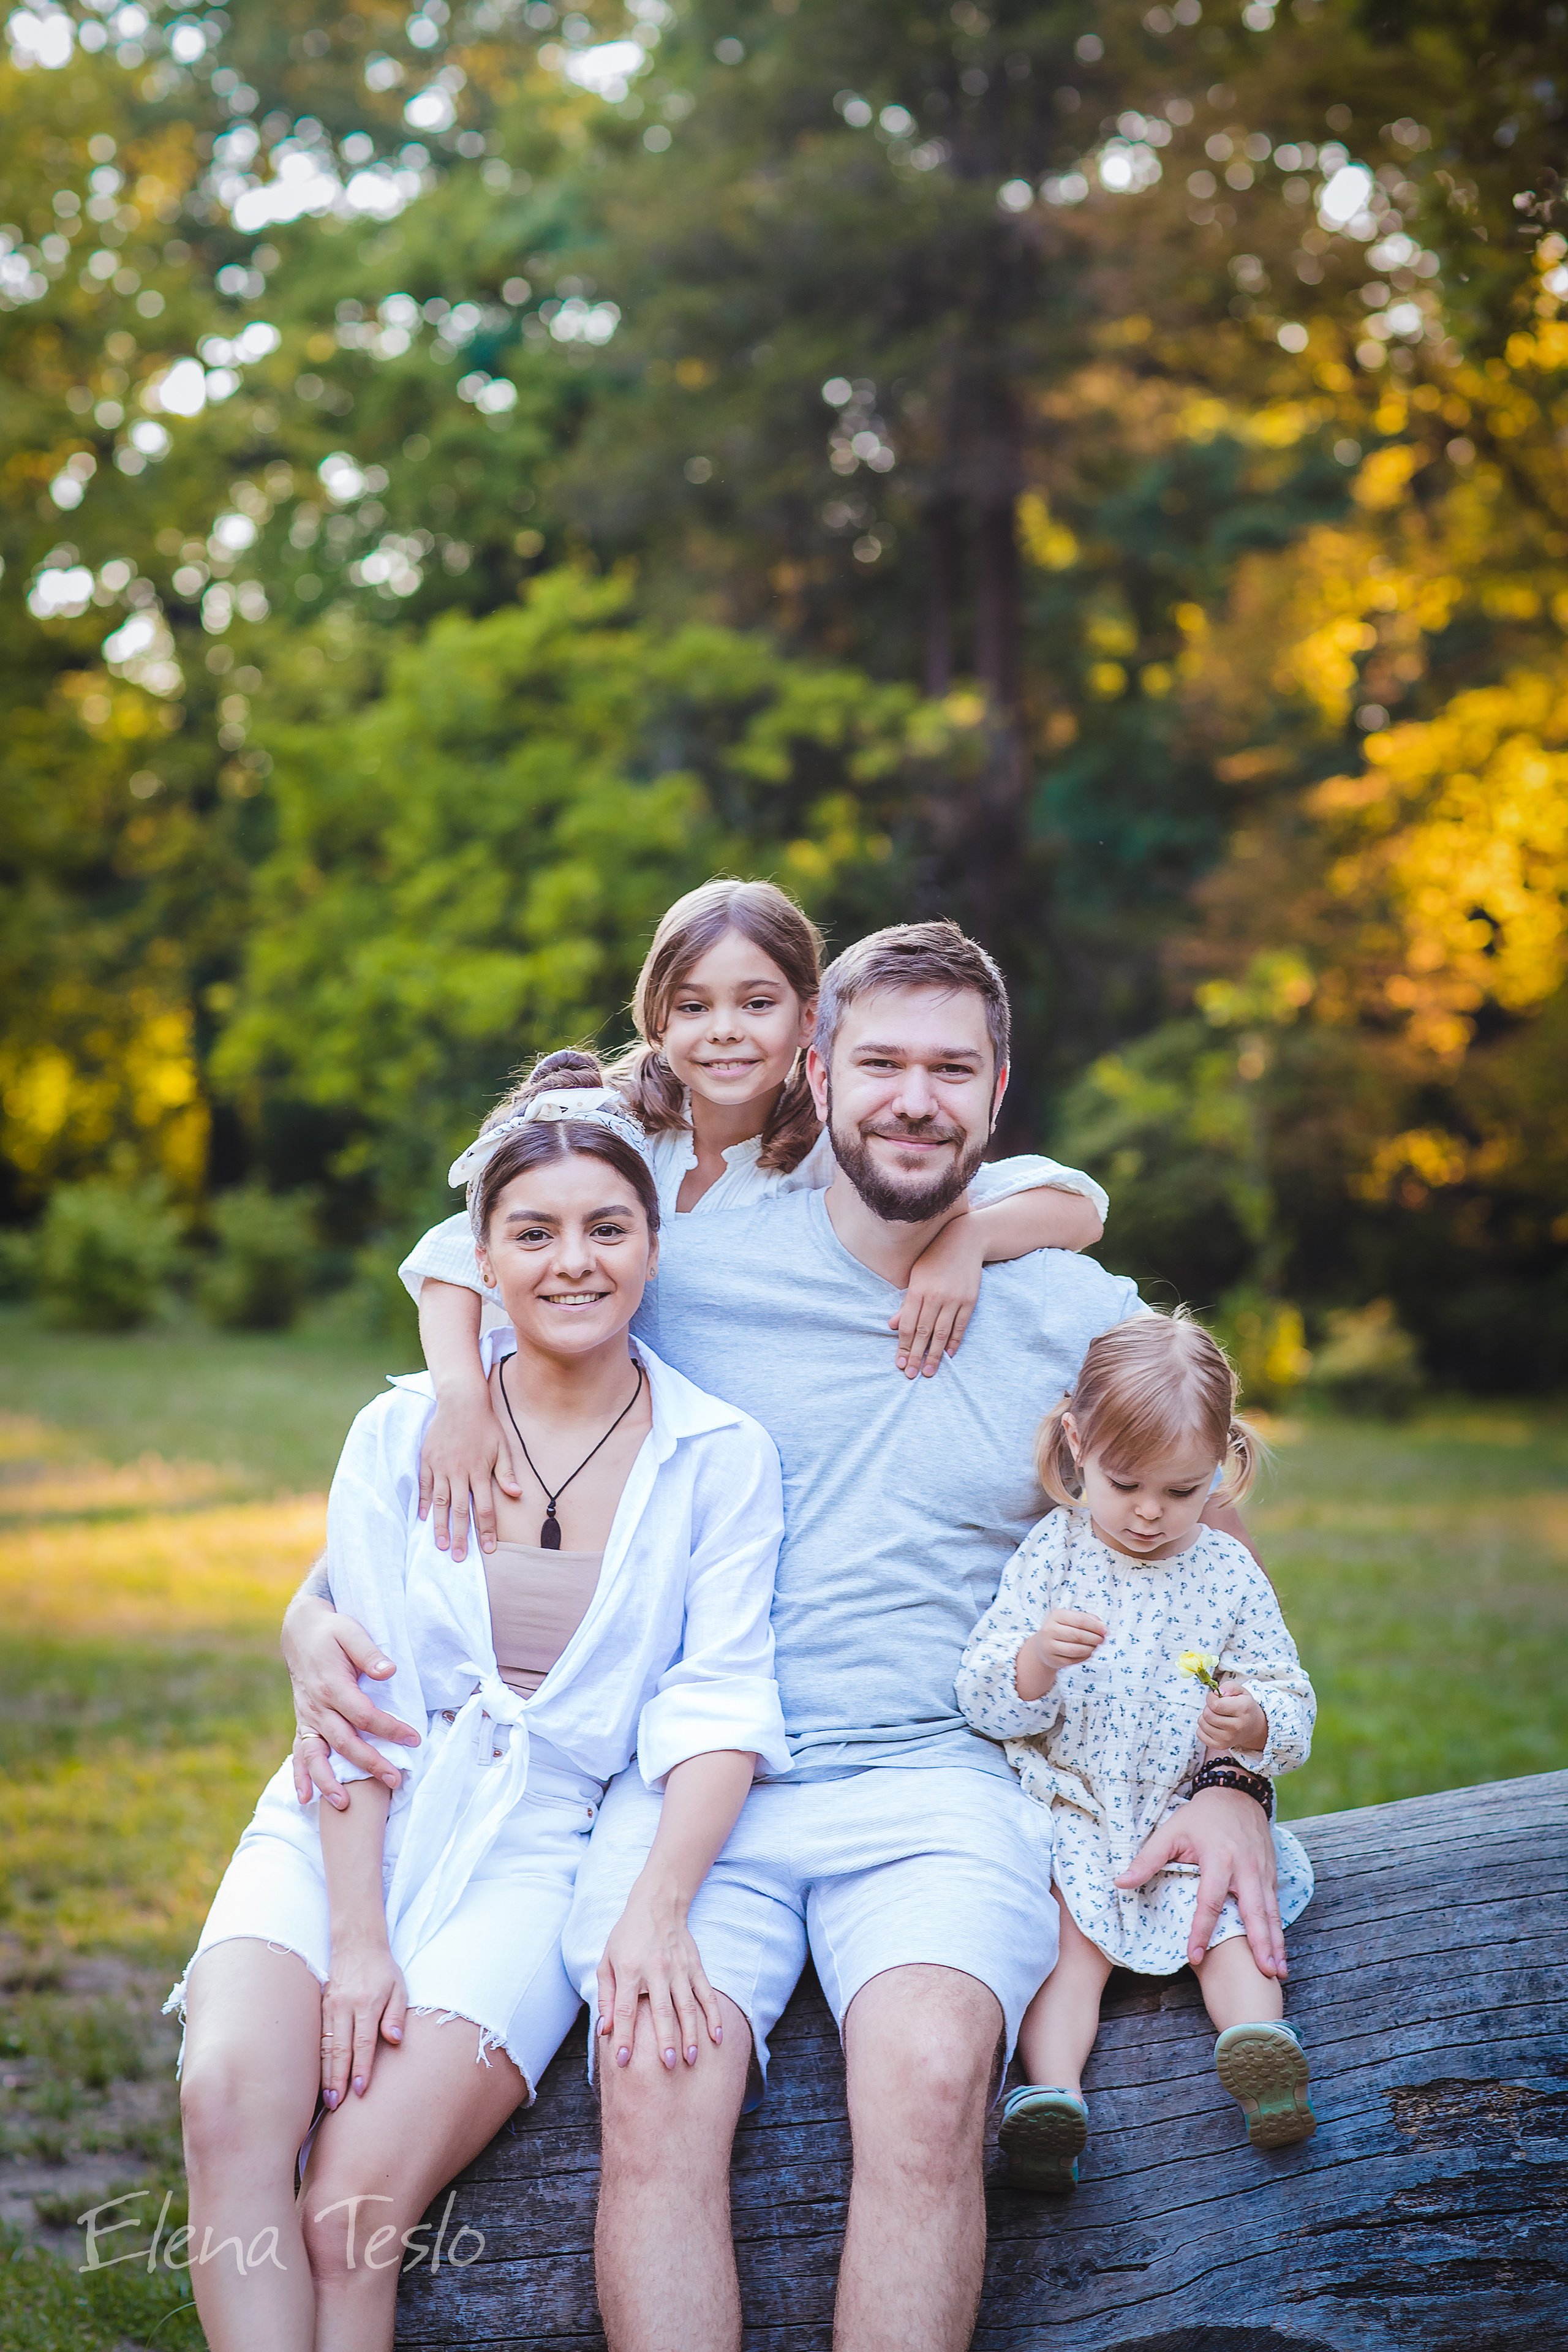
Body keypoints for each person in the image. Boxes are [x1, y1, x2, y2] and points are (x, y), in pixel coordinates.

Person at [284, 921, 1285, 2352]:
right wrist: (311, 1611)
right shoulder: (686, 1257)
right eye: (879, 1064)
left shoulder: (1065, 1309)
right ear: (818, 1069)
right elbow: (481, 1365)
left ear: (997, 1091)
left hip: (939, 1781)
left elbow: (1211, 1553)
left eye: (951, 1070)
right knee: (651, 2081)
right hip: (692, 1780)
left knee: (932, 2080)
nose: (913, 1100)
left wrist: (1227, 1779)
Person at [170, 1058, 790, 2352]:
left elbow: (718, 1702)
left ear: (652, 1246)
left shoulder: (717, 1456)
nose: (573, 1263)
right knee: (228, 2101)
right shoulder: (400, 1432)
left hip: (534, 1847)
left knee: (350, 2210)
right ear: (485, 1258)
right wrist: (357, 1941)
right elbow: (359, 1699)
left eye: (606, 1228)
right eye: (534, 1233)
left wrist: (658, 1904)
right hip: (347, 1819)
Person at [401, 877, 1107, 1559]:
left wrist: (967, 1238)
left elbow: (1076, 1205)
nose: (724, 1032)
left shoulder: (837, 1151)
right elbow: (457, 1256)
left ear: (809, 1019)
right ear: (656, 1021)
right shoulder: (610, 1136)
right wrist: (461, 1398)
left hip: (717, 1442)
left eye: (757, 1003)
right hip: (572, 1409)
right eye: (693, 1006)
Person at [956, 1313, 1317, 2192]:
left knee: (1226, 1919)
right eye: (1124, 1484)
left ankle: (1260, 2052)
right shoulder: (1055, 1553)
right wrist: (1037, 1659)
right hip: (1077, 1809)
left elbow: (1291, 1695)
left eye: (1183, 1490)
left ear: (1221, 1467)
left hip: (1183, 1812)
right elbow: (982, 1693)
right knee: (1064, 1942)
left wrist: (1254, 1722)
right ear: (1077, 1445)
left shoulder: (1226, 1573)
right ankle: (1054, 2096)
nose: (1150, 1513)